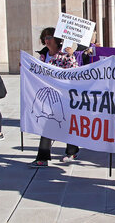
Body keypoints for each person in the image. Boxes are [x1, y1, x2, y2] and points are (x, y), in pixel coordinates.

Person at [30, 27, 79, 167]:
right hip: (47, 96)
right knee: (47, 123)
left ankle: (72, 150)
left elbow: (74, 72)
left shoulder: (64, 55)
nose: (47, 40)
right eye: (44, 38)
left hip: (63, 96)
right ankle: (43, 157)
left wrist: (70, 56)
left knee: (66, 123)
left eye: (49, 37)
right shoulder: (43, 56)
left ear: (57, 39)